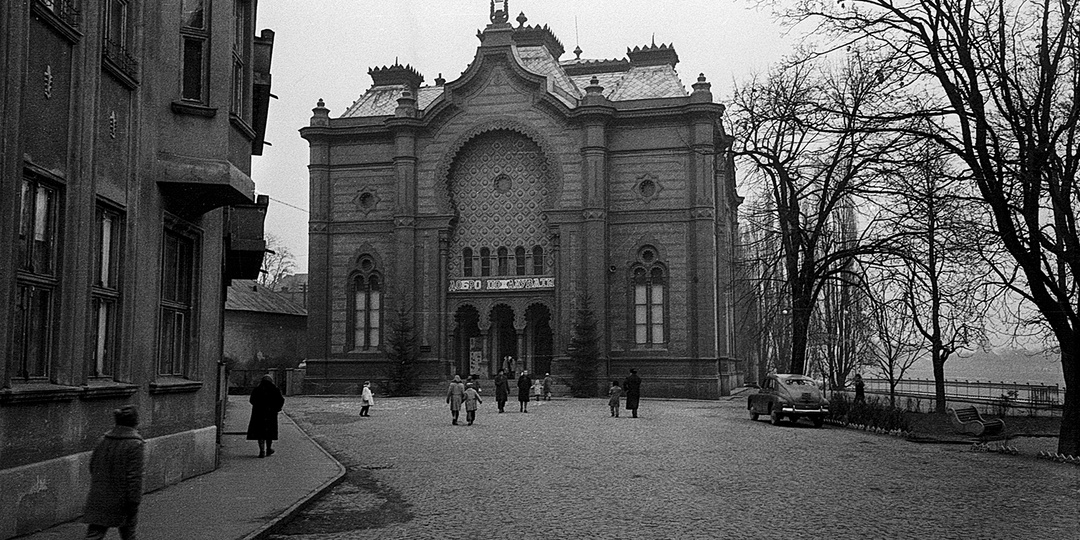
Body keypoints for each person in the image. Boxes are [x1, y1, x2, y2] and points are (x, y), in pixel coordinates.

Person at [83, 405, 144, 540]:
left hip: (100, 496)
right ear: (135, 422)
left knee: (95, 534)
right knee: (128, 534)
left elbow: (93, 466)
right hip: (123, 499)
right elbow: (134, 477)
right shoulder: (135, 444)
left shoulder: (103, 440)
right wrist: (134, 501)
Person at [247, 374, 285, 458]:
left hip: (259, 414)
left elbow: (252, 400)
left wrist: (258, 406)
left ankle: (262, 451)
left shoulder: (257, 389)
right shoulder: (275, 389)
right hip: (271, 414)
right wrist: (277, 408)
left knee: (260, 432)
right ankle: (268, 449)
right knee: (269, 432)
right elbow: (281, 400)